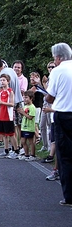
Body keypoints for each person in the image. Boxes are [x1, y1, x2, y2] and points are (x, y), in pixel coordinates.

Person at [45, 42, 72, 206]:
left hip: (63, 115)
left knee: (65, 157)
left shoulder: (58, 71)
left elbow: (50, 96)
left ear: (58, 57)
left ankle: (69, 196)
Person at [0, 74, 19, 159]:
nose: (2, 82)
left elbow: (11, 104)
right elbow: (0, 105)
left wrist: (2, 102)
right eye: (1, 80)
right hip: (2, 115)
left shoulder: (10, 91)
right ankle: (6, 150)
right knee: (4, 134)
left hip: (8, 116)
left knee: (11, 134)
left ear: (8, 81)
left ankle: (16, 150)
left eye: (4, 80)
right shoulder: (1, 92)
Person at [17, 90, 36, 161]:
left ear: (31, 98)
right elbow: (24, 116)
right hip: (24, 127)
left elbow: (31, 117)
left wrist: (23, 113)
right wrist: (21, 113)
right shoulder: (25, 106)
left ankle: (33, 155)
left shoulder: (32, 107)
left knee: (31, 142)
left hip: (29, 127)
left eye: (26, 97)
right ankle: (26, 154)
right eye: (24, 97)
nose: (24, 99)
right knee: (23, 141)